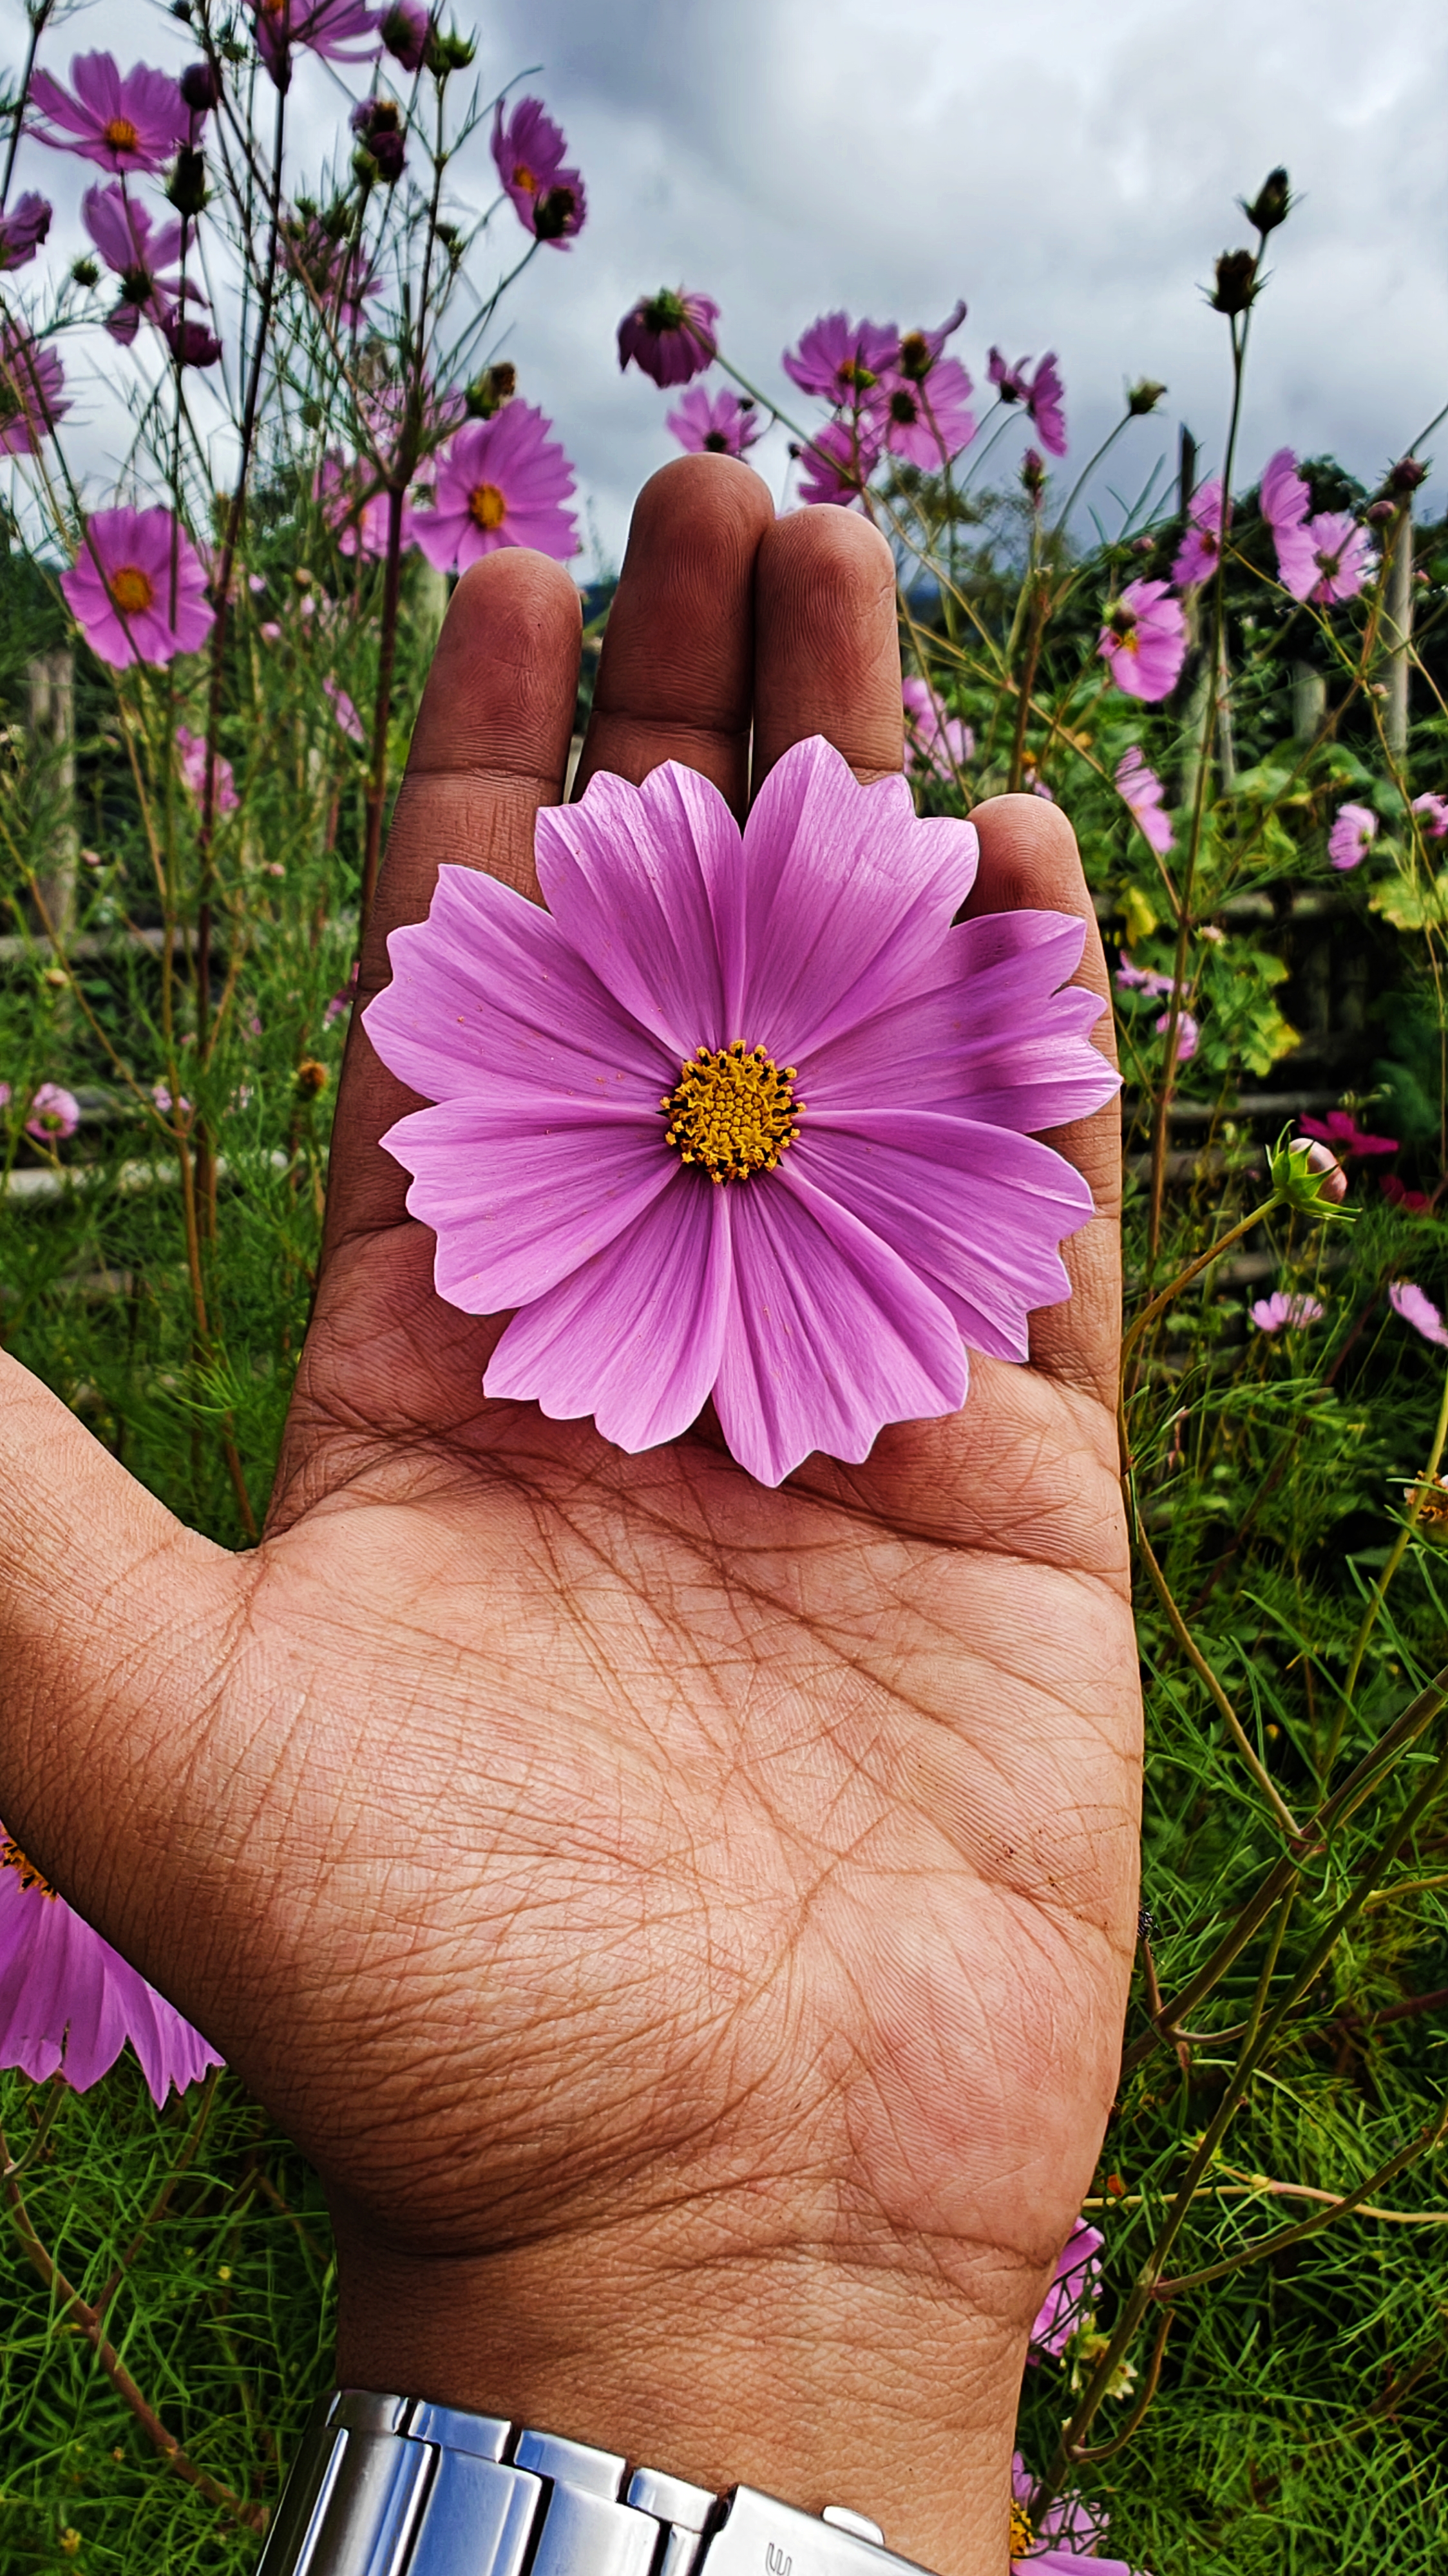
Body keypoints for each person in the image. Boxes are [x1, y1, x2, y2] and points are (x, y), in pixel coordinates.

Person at [0, 458, 1141, 2575]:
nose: (738, 1102)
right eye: (734, 1092)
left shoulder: (822, 1187)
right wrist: (658, 2312)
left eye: (754, 1092)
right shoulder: (660, 1126)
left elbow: (974, 1198)